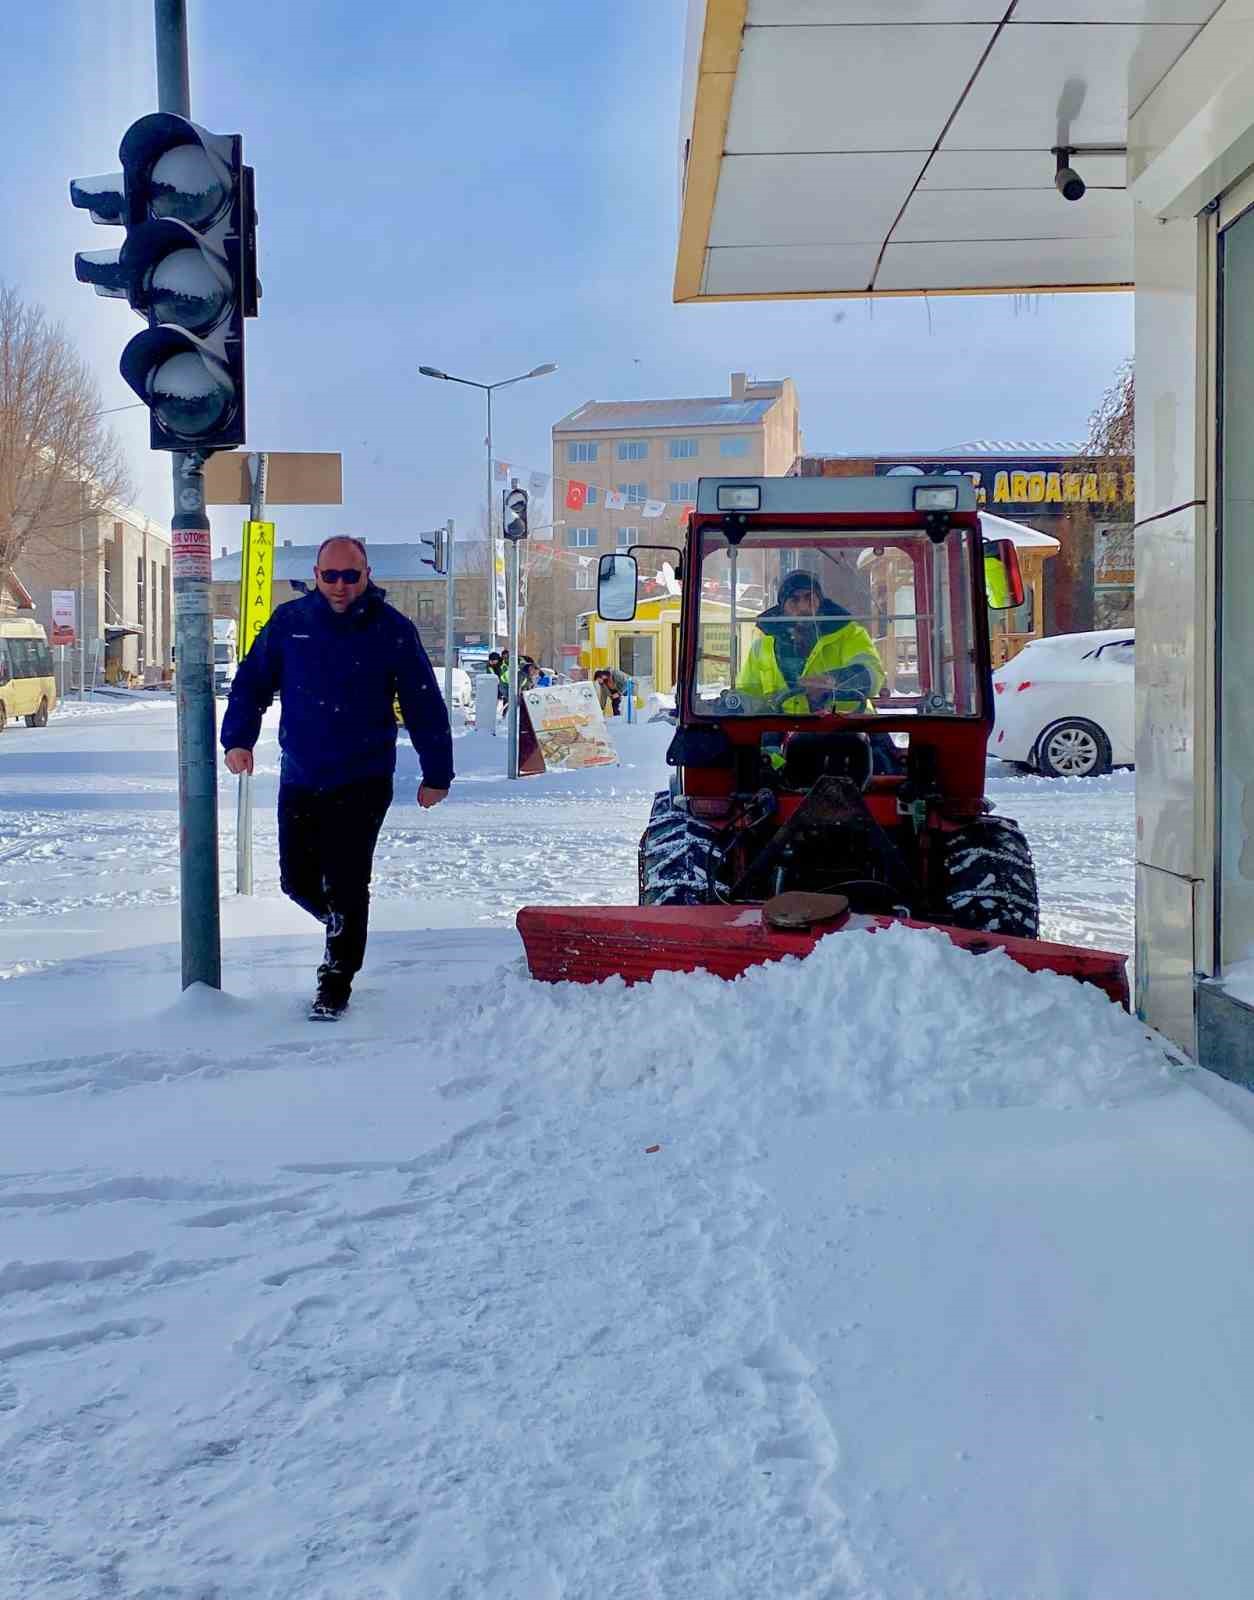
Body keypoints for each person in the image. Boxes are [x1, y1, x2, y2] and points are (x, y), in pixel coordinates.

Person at [221, 536, 453, 1020]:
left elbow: (424, 704)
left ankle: (336, 978)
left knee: (347, 881)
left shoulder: (391, 630)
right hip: (302, 773)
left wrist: (437, 773)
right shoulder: (292, 623)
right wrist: (238, 739)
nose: (341, 586)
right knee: (296, 880)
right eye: (331, 576)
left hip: (364, 777)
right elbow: (251, 682)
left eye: (352, 576)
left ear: (367, 575)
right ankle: (345, 925)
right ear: (316, 574)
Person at [737, 570, 884, 715]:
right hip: (783, 729)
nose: (803, 607)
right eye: (794, 600)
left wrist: (834, 680)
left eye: (810, 598)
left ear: (820, 602)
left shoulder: (849, 634)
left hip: (846, 725)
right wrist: (736, 702)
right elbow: (748, 693)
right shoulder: (762, 647)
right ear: (782, 608)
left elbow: (873, 673)